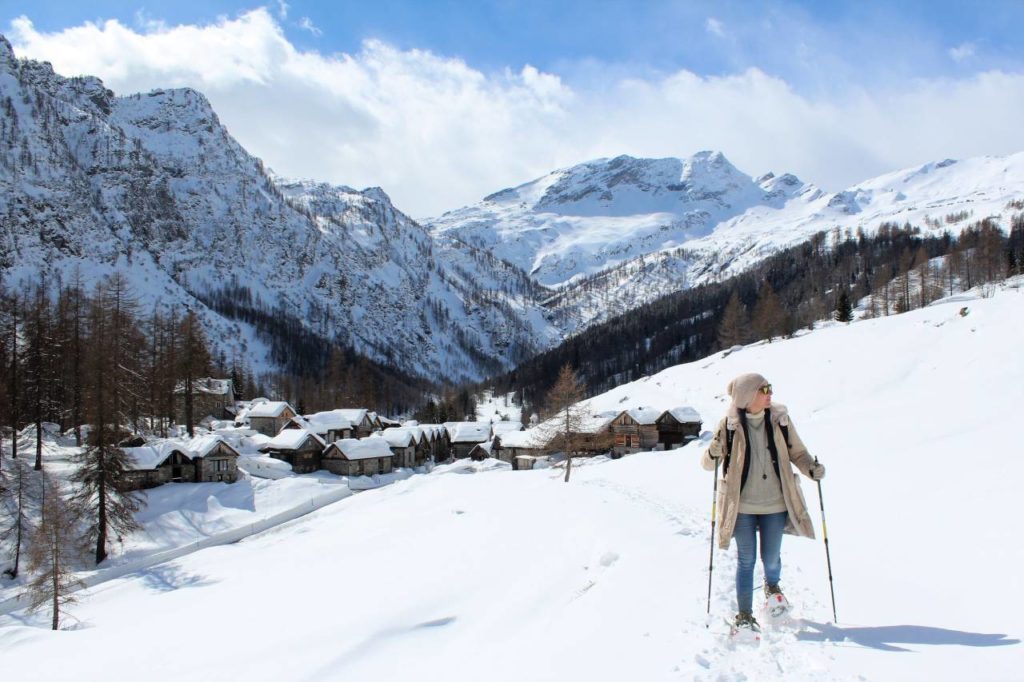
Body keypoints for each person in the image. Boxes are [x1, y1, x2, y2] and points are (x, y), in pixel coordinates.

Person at [701, 372, 825, 631]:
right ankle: (745, 616)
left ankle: (772, 587)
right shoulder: (729, 425)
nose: (770, 393)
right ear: (747, 396)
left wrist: (811, 469)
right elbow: (708, 464)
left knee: (770, 558)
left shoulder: (780, 420)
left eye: (770, 387)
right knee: (746, 560)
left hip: (775, 504)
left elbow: (798, 452)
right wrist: (712, 453)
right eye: (764, 389)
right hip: (742, 506)